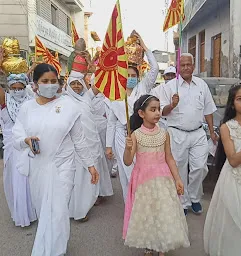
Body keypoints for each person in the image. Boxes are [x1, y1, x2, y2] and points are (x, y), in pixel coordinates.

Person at [12, 63, 99, 256]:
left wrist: (91, 166)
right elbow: (17, 134)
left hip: (63, 166)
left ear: (59, 83)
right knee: (44, 211)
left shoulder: (68, 106)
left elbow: (79, 139)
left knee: (58, 212)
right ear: (35, 84)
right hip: (38, 166)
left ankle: (56, 251)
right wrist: (25, 140)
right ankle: (48, 246)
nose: (50, 85)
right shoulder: (27, 108)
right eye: (45, 81)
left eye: (53, 81)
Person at [123, 95, 190, 256]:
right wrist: (127, 147)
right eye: (152, 109)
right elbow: (127, 161)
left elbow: (169, 158)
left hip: (163, 180)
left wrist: (178, 179)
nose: (157, 113)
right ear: (141, 113)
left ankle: (162, 244)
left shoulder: (164, 134)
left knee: (163, 211)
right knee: (147, 213)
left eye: (159, 109)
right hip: (143, 181)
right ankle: (149, 243)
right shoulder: (136, 135)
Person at [161, 53, 217, 216]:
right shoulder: (170, 86)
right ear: (178, 67)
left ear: (193, 66)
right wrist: (172, 105)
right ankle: (183, 202)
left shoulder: (201, 85)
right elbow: (163, 112)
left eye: (188, 64)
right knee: (179, 169)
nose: (186, 67)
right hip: (177, 133)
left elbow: (208, 109)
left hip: (198, 133)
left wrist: (212, 132)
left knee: (200, 167)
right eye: (182, 65)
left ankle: (194, 197)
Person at [204, 82, 241, 256]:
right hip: (235, 180)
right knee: (240, 222)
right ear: (233, 104)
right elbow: (233, 160)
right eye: (240, 99)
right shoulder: (227, 127)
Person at [106, 32, 159, 201]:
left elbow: (155, 68)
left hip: (142, 135)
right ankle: (131, 207)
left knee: (143, 173)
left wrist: (144, 45)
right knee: (127, 175)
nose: (130, 78)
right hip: (122, 137)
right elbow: (111, 123)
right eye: (127, 76)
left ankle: (143, 205)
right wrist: (109, 146)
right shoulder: (115, 94)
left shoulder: (143, 87)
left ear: (138, 76)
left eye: (133, 76)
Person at [66, 71, 113, 213]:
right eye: (73, 84)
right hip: (77, 145)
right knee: (81, 175)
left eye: (79, 84)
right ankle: (81, 206)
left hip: (93, 141)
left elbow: (97, 84)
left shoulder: (86, 97)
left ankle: (97, 194)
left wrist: (103, 66)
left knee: (97, 168)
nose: (76, 86)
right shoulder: (64, 101)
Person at [0, 73, 36, 227]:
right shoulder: (5, 102)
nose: (17, 91)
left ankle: (36, 209)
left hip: (30, 145)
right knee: (18, 181)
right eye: (13, 88)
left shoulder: (32, 101)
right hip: (12, 148)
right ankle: (23, 214)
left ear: (25, 86)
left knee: (32, 180)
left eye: (20, 88)